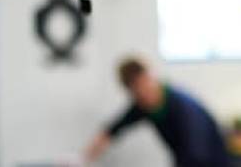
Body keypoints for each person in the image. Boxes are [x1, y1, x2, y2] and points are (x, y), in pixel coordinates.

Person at [84, 57, 228, 167]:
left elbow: (196, 154)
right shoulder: (143, 105)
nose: (143, 95)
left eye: (144, 87)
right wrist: (82, 160)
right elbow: (111, 131)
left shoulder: (182, 107)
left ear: (150, 78)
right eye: (136, 92)